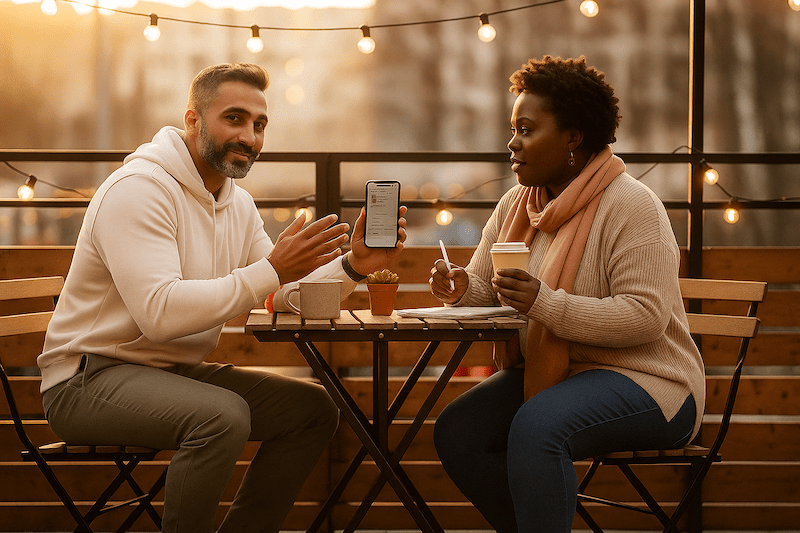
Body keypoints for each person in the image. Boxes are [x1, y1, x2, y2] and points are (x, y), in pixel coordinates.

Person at [37, 62, 406, 533]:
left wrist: (354, 265)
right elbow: (159, 314)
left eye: (260, 124)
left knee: (312, 410)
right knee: (222, 418)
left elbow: (284, 297)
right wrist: (271, 270)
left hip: (170, 373)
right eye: (234, 119)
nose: (249, 137)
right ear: (192, 121)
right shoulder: (138, 191)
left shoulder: (238, 203)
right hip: (86, 380)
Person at [428, 56, 705, 533]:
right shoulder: (517, 205)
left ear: (573, 137)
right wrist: (459, 287)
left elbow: (645, 317)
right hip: (557, 373)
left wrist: (545, 303)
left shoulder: (633, 206)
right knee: (459, 432)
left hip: (652, 383)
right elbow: (486, 289)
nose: (512, 143)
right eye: (513, 129)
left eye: (527, 130)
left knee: (538, 427)